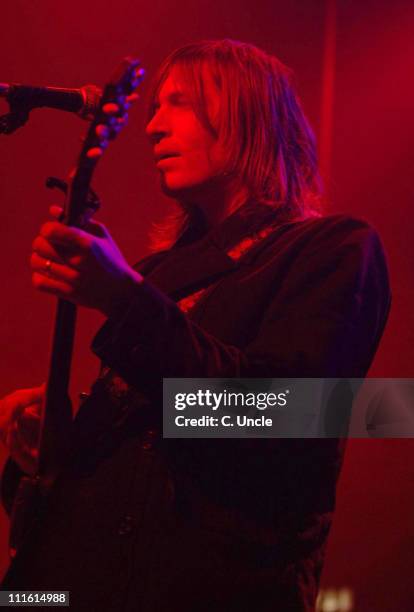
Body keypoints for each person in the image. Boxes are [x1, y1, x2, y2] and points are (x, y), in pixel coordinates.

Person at [0, 39, 391, 611]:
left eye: (177, 103)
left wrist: (124, 298)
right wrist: (53, 446)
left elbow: (282, 417)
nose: (153, 127)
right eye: (153, 107)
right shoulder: (159, 273)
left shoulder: (334, 248)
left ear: (248, 112)